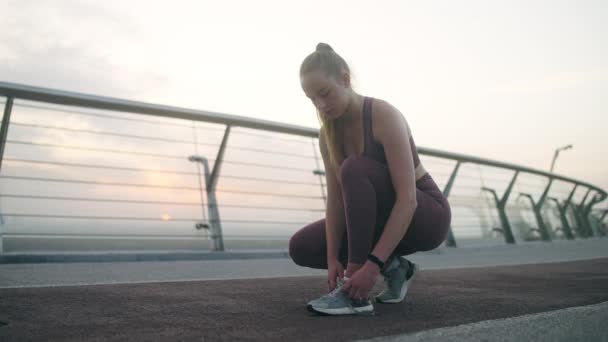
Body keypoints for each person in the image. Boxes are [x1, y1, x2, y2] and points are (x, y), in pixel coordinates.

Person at [289, 43, 452, 316]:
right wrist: (331, 259)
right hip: (380, 219)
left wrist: (368, 266)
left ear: (345, 79)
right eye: (312, 99)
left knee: (354, 168)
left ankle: (354, 294)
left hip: (425, 216)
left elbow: (407, 200)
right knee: (301, 247)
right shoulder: (326, 135)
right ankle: (398, 269)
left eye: (325, 94)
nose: (320, 105)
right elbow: (336, 202)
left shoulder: (383, 115)